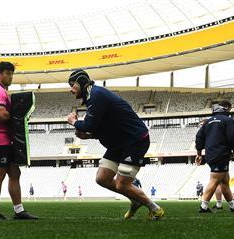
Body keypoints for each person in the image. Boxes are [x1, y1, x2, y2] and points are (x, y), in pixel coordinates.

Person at [66, 69, 164, 220]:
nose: (70, 90)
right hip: (119, 143)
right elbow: (101, 129)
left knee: (122, 185)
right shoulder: (93, 97)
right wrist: (85, 135)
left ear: (81, 83)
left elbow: (90, 125)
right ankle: (135, 200)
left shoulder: (96, 95)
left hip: (134, 140)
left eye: (72, 85)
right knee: (102, 178)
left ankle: (155, 208)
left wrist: (74, 122)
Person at [0, 61, 37, 220]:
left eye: (12, 73)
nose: (11, 76)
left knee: (14, 173)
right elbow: (1, 115)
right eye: (8, 73)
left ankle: (19, 211)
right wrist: (19, 118)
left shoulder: (2, 91)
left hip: (4, 138)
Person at [195, 100, 234, 213]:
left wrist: (199, 154)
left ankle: (233, 206)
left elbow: (199, 137)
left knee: (224, 181)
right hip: (221, 153)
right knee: (214, 180)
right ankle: (203, 207)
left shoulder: (207, 122)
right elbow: (232, 136)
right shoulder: (227, 120)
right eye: (230, 109)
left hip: (210, 153)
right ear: (226, 108)